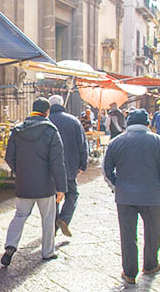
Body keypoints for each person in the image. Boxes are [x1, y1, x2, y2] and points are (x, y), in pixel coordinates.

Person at [103, 109, 160, 284]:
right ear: (147, 123)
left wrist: (116, 186)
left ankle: (129, 273)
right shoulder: (158, 141)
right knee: (153, 232)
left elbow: (106, 169)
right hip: (152, 195)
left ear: (128, 122)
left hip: (125, 196)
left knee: (127, 234)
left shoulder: (116, 142)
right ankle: (150, 265)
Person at [1, 97, 67, 266]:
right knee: (48, 218)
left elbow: (9, 157)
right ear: (47, 112)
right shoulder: (52, 131)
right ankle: (47, 252)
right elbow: (57, 162)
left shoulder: (17, 130)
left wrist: (20, 171)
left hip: (24, 183)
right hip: (46, 184)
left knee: (20, 215)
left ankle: (10, 246)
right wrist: (61, 187)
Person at [49, 95, 88, 237]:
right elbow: (83, 145)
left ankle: (52, 228)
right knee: (72, 193)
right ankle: (64, 218)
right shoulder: (74, 121)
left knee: (54, 196)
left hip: (51, 167)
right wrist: (83, 165)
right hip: (70, 166)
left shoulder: (46, 121)